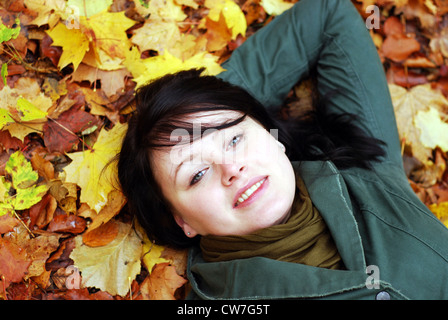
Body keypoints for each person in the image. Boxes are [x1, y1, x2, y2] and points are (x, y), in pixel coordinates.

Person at [117, 0, 448, 299]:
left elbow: (327, 14)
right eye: (197, 174)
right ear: (182, 221)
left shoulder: (365, 170)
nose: (232, 169)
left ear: (271, 135)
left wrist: (198, 101)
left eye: (234, 139)